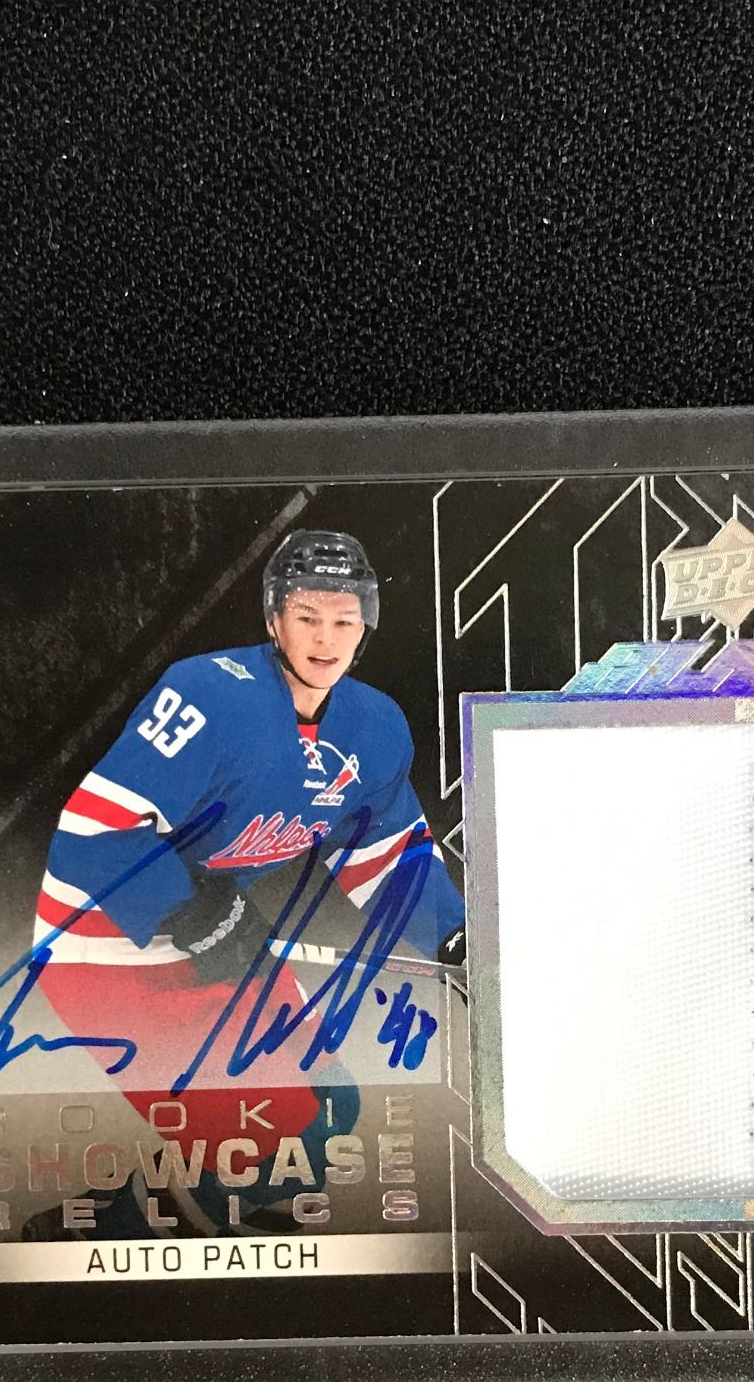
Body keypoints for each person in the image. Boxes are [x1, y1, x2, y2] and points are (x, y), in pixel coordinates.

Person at [25, 530, 464, 1238]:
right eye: (307, 616)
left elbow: (384, 854)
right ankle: (98, 1237)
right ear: (274, 619)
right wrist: (197, 913)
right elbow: (94, 833)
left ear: (366, 628)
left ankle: (177, 1214)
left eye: (344, 620)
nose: (325, 639)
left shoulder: (375, 727)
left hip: (216, 934)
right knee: (271, 1133)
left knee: (331, 1108)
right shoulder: (208, 694)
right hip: (103, 942)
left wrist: (456, 937)